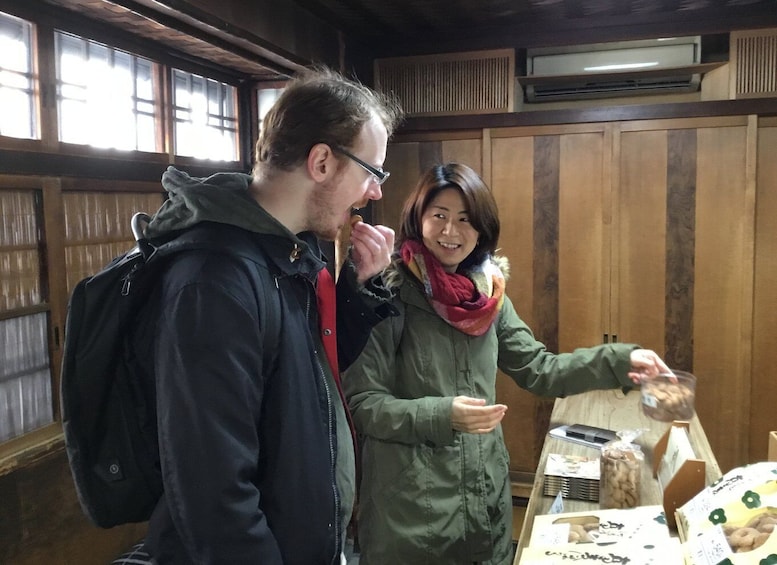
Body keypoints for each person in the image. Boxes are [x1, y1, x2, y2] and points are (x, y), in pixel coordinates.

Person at [131, 66, 403, 564]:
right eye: (372, 172)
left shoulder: (292, 251)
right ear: (322, 161)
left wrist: (359, 288)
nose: (375, 192)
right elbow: (214, 495)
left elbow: (306, 379)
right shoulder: (214, 281)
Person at [342, 163, 672, 565]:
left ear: (482, 228)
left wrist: (620, 361)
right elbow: (364, 405)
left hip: (483, 495)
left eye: (465, 220)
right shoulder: (387, 292)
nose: (450, 232)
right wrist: (443, 415)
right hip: (411, 510)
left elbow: (539, 368)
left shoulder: (489, 294)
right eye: (439, 217)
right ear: (418, 219)